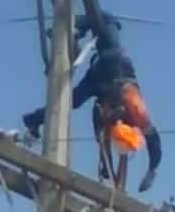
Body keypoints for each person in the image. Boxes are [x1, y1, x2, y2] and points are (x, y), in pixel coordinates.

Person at [23, 12, 162, 193]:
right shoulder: (135, 107)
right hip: (115, 68)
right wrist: (152, 170)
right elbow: (151, 138)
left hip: (97, 81)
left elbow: (106, 149)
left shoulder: (104, 120)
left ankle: (33, 119)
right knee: (108, 20)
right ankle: (76, 27)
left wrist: (111, 179)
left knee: (68, 103)